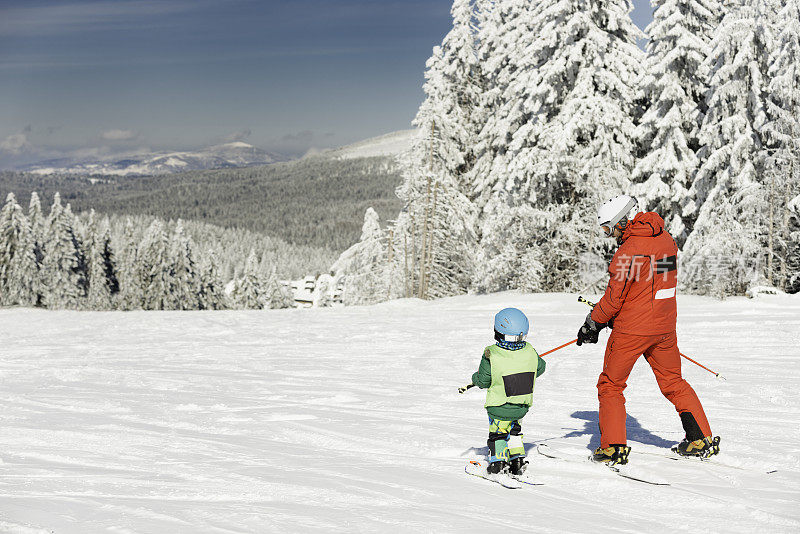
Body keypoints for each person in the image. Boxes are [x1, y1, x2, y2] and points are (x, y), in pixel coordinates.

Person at [576, 195, 720, 465]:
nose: (609, 235)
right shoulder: (665, 239)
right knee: (674, 383)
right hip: (664, 327)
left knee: (610, 385)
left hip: (631, 331)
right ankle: (701, 438)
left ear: (623, 221)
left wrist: (593, 322)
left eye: (609, 229)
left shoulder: (627, 251)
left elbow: (614, 298)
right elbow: (653, 277)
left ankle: (613, 447)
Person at [470, 307, 546, 475]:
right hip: (521, 407)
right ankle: (517, 460)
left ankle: (498, 463)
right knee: (514, 431)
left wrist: (475, 379)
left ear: (497, 332)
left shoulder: (491, 354)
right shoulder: (530, 351)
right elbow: (540, 368)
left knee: (498, 433)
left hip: (499, 406)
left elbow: (483, 380)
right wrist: (528, 360)